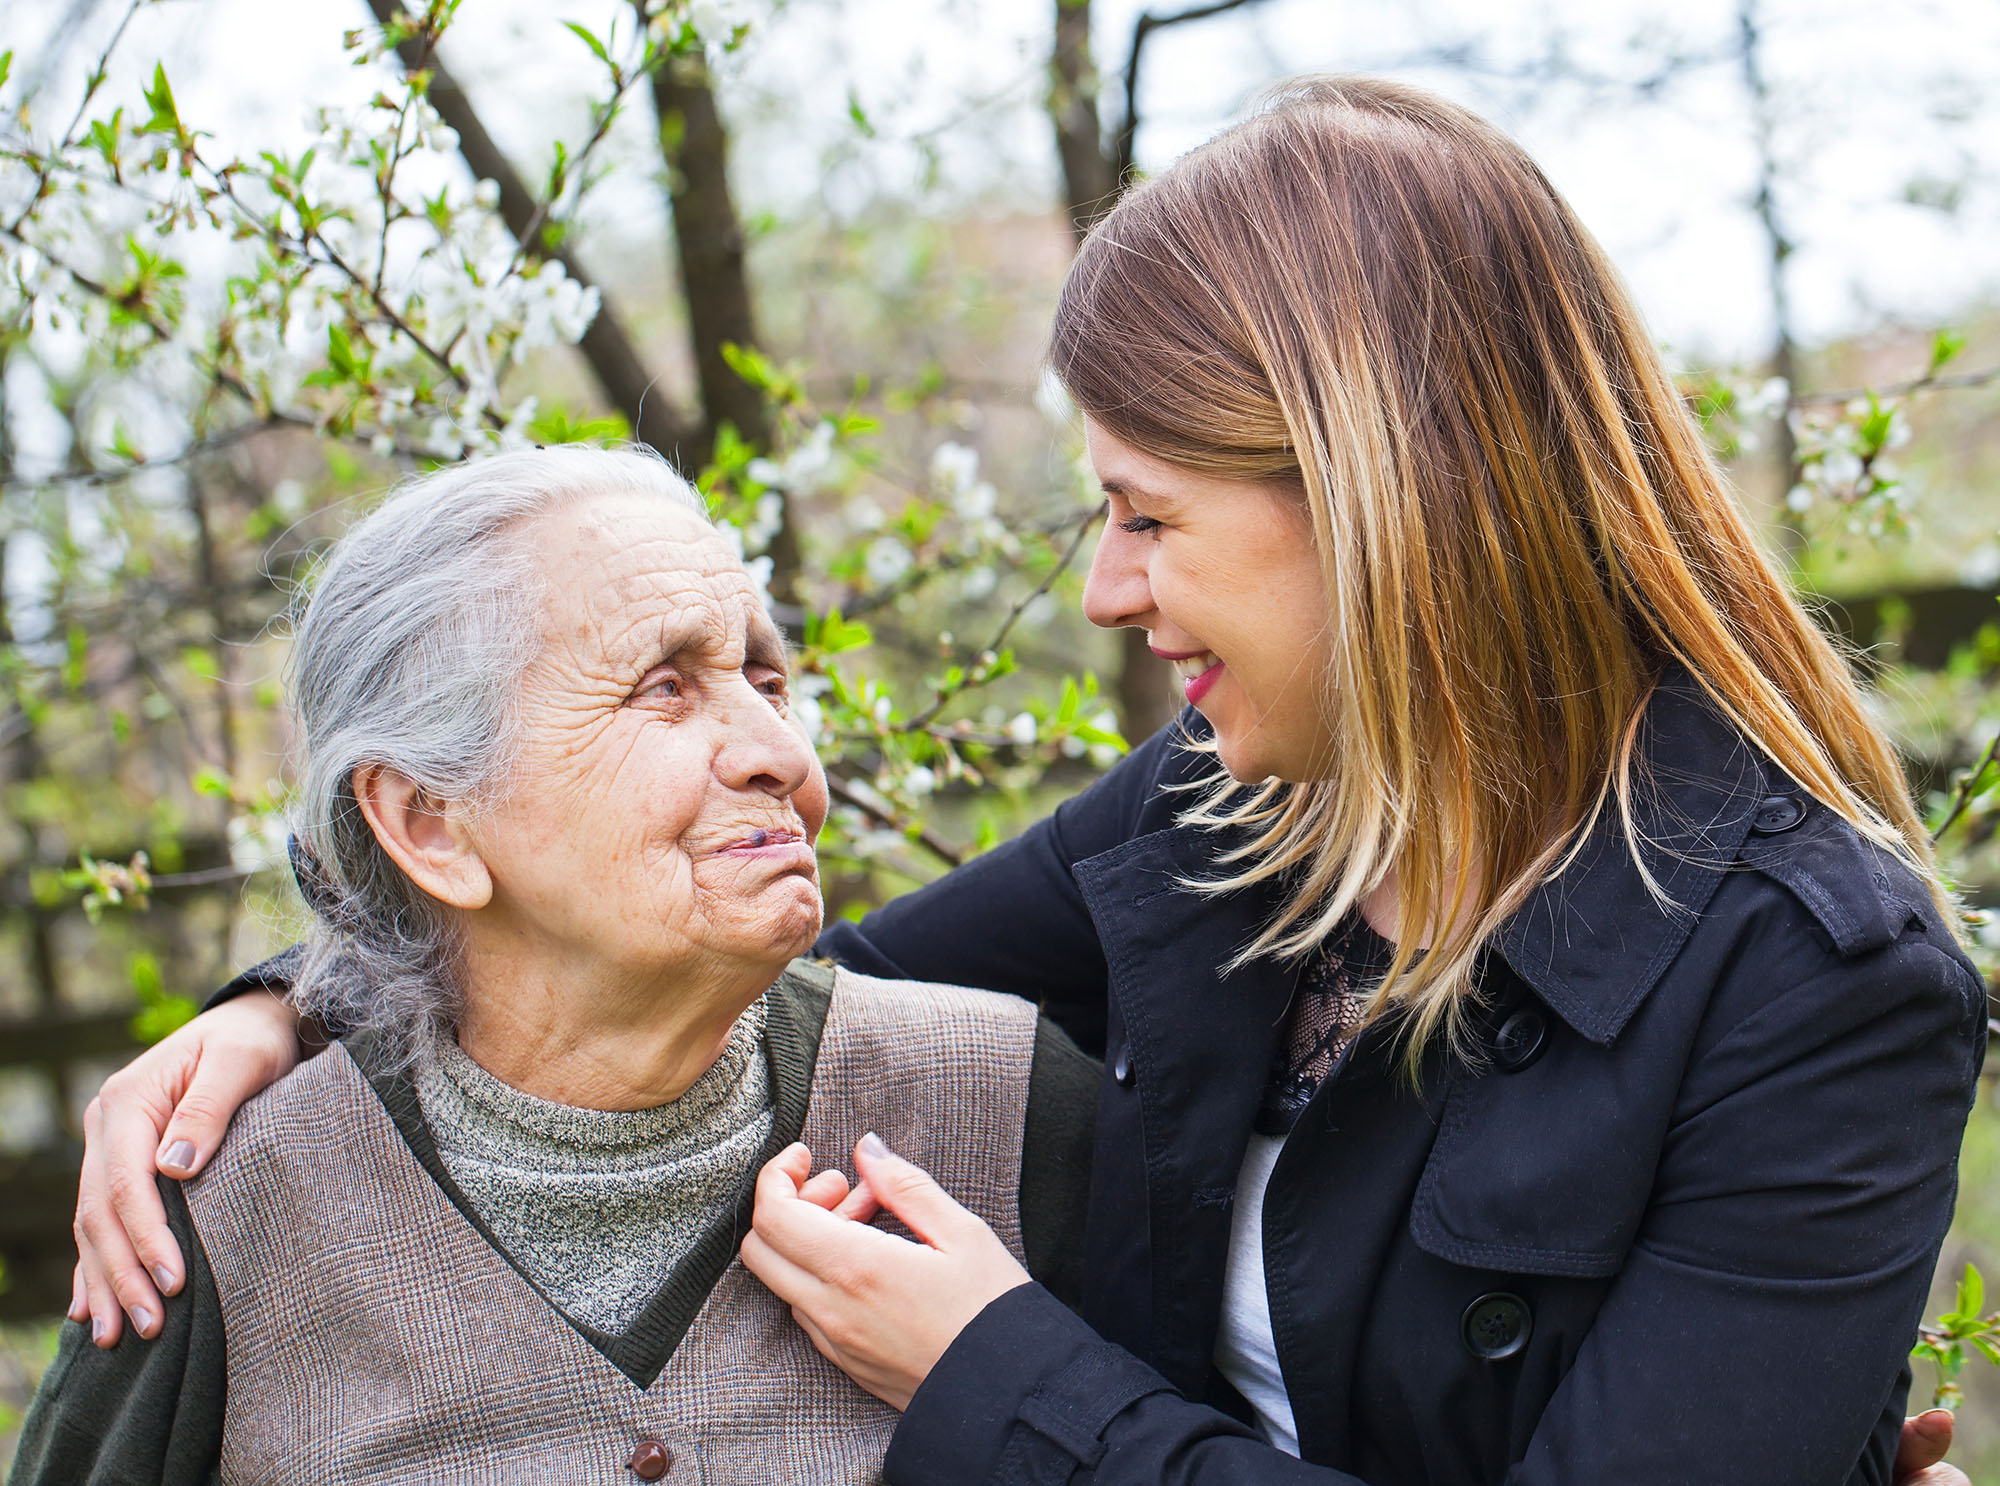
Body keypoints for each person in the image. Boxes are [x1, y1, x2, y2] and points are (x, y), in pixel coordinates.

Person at [59, 77, 1983, 1485]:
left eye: (1149, 514)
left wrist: (999, 1370)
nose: (1105, 588)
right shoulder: (1239, 820)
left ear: (1385, 505)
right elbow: (732, 969)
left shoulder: (1815, 985)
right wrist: (298, 1002)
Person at [10, 448, 1094, 1484]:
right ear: (430, 823)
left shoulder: (1010, 1103)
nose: (781, 751)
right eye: (663, 688)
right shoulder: (225, 1209)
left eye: (767, 677)